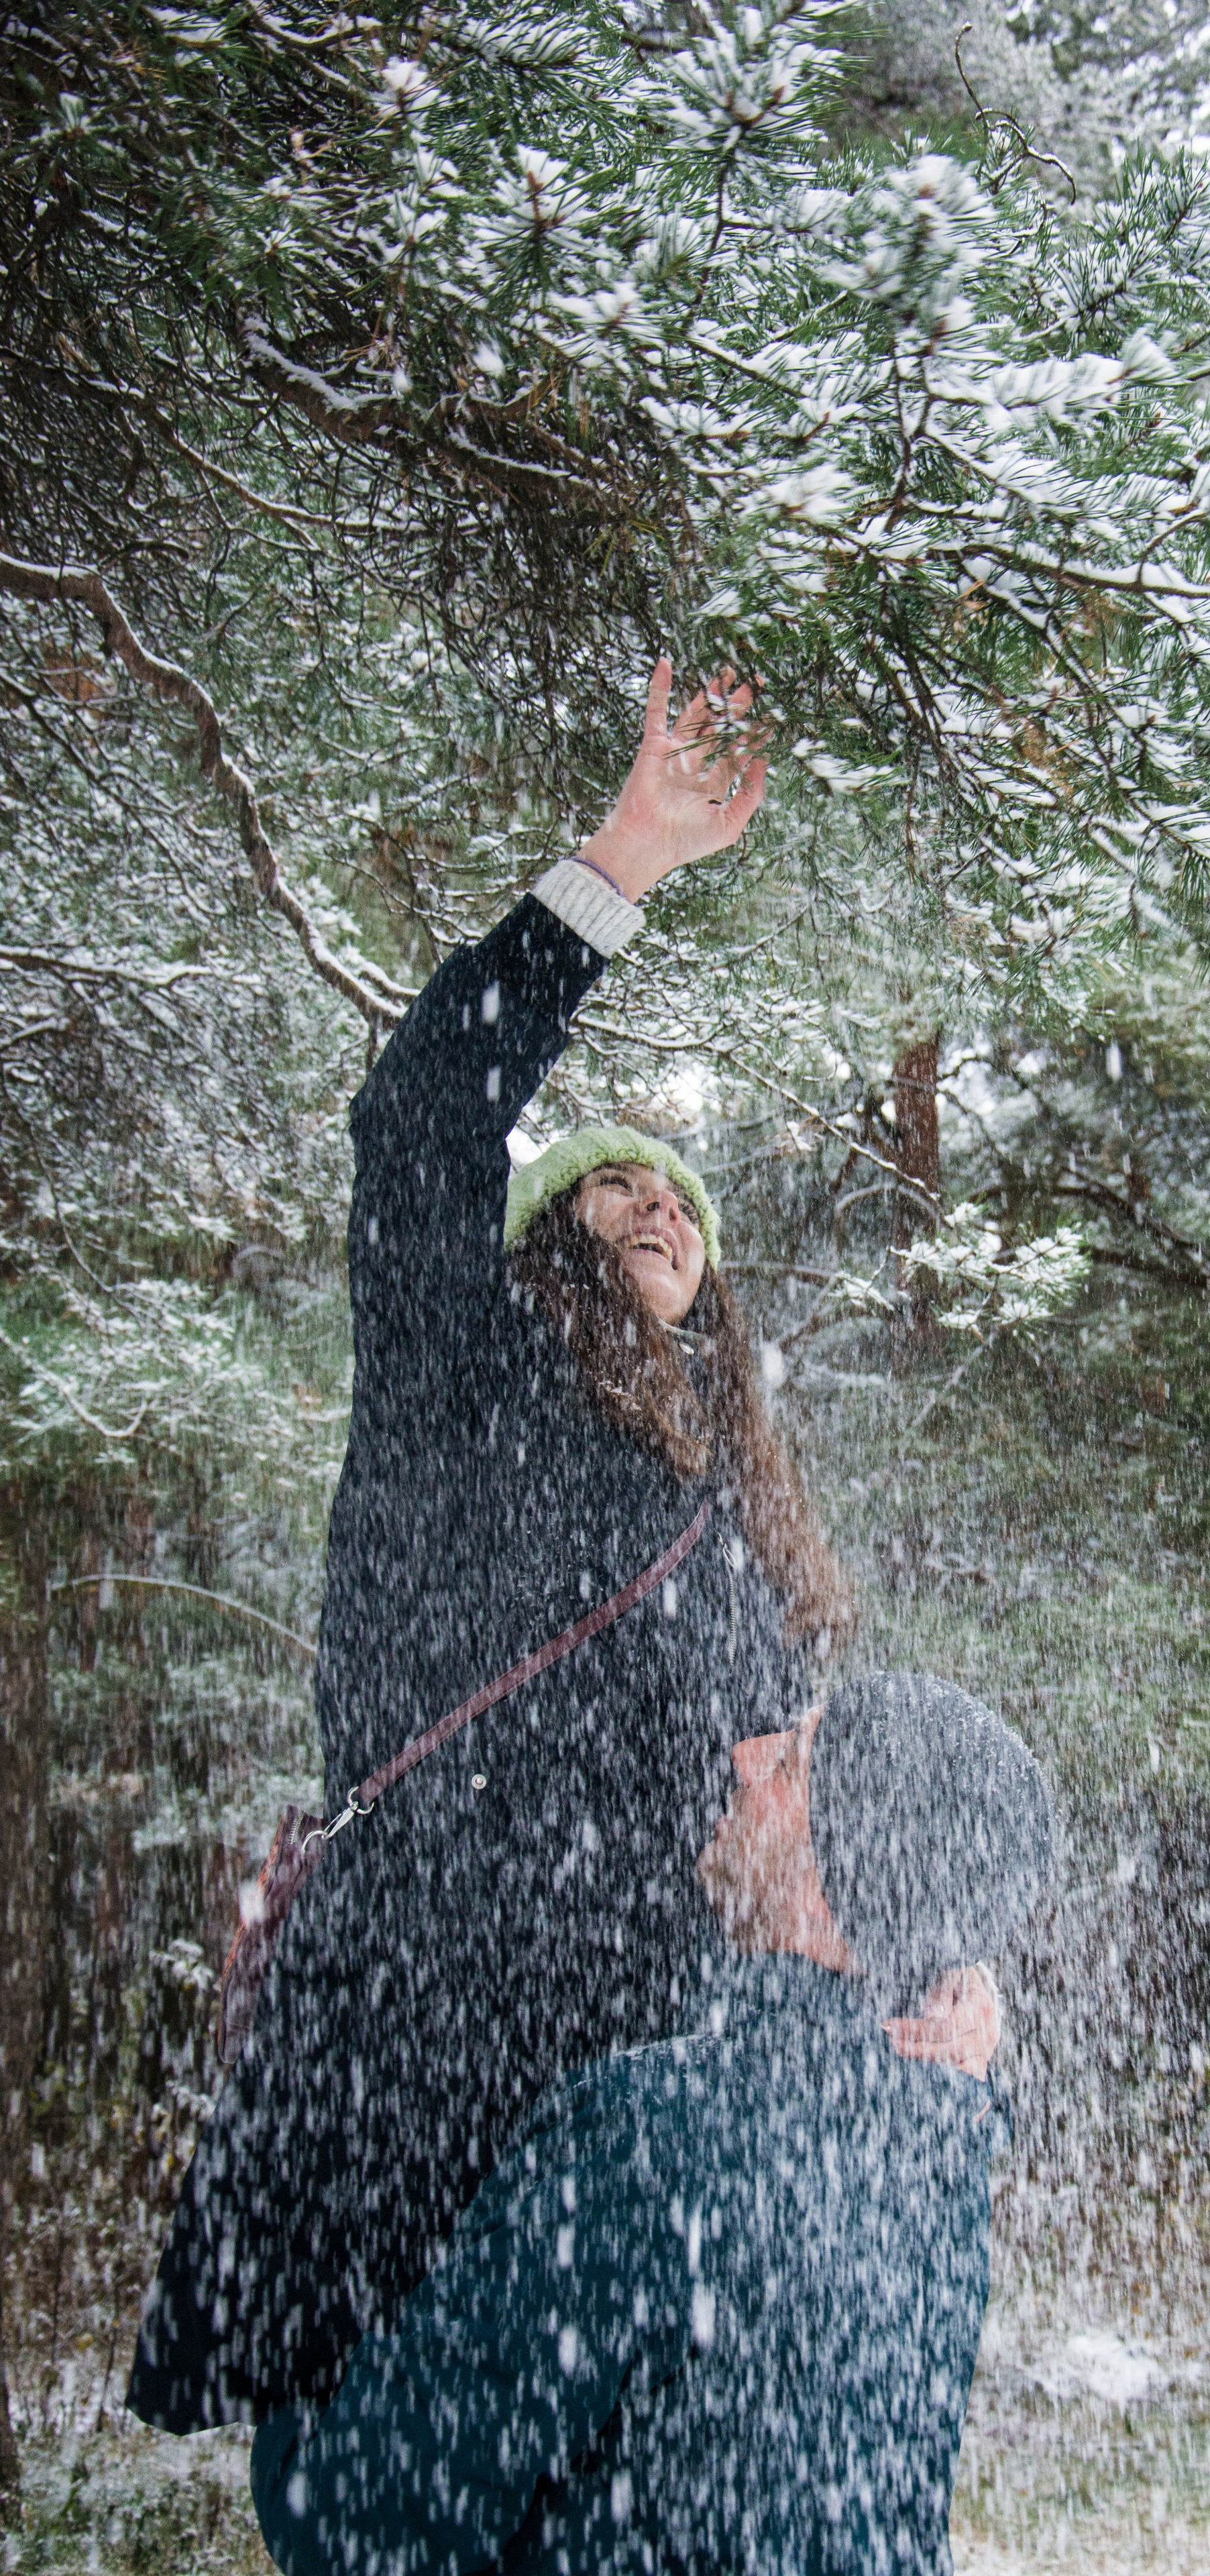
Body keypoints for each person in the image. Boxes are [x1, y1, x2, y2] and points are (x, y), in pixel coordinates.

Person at [129, 663, 853, 2434]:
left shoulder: (731, 1520)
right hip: (421, 1993)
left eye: (678, 1194)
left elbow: (789, 1803)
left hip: (637, 2019)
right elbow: (418, 1123)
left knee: (614, 2467)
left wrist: (912, 1970)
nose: (655, 1200)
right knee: (407, 2456)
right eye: (609, 1182)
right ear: (538, 1242)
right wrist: (623, 860)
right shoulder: (463, 1361)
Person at [250, 1674, 1054, 2576]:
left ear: (831, 1891)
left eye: (788, 1761)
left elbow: (358, 2529)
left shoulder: (647, 2143)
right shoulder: (944, 2133)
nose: (746, 1757)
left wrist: (295, 2392)